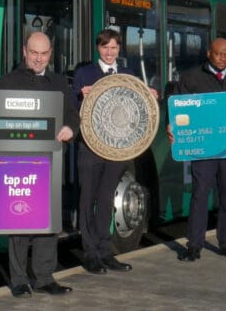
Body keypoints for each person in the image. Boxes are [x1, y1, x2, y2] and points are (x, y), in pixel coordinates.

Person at [0, 32, 80, 297]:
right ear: (24, 51)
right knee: (18, 220)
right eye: (34, 53)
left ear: (51, 54)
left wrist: (70, 128)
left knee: (47, 220)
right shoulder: (6, 81)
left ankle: (44, 277)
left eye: (44, 54)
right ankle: (19, 279)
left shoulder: (59, 83)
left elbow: (72, 115)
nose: (39, 59)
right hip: (16, 161)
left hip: (50, 161)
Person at [72, 28, 157, 274]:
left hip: (117, 150)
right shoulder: (84, 73)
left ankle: (105, 251)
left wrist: (149, 96)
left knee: (107, 199)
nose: (109, 52)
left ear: (120, 49)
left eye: (113, 48)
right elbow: (71, 106)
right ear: (98, 48)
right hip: (90, 148)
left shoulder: (129, 75)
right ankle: (90, 253)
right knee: (88, 199)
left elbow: (138, 110)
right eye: (104, 48)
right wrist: (80, 95)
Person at [168, 37, 226, 261]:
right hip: (204, 150)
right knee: (200, 195)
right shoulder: (191, 78)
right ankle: (194, 246)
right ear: (208, 54)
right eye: (218, 54)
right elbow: (176, 106)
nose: (223, 58)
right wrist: (171, 123)